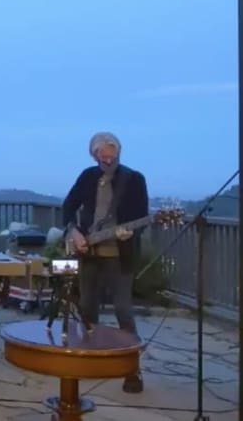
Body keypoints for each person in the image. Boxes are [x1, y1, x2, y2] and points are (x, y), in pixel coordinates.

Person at [62, 131, 148, 394]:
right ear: (95, 156)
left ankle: (132, 371)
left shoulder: (133, 179)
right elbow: (68, 205)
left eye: (113, 157)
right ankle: (91, 360)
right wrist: (74, 231)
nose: (108, 161)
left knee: (123, 310)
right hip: (89, 253)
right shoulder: (88, 176)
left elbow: (141, 216)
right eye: (103, 158)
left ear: (119, 154)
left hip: (119, 256)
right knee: (87, 307)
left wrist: (130, 231)